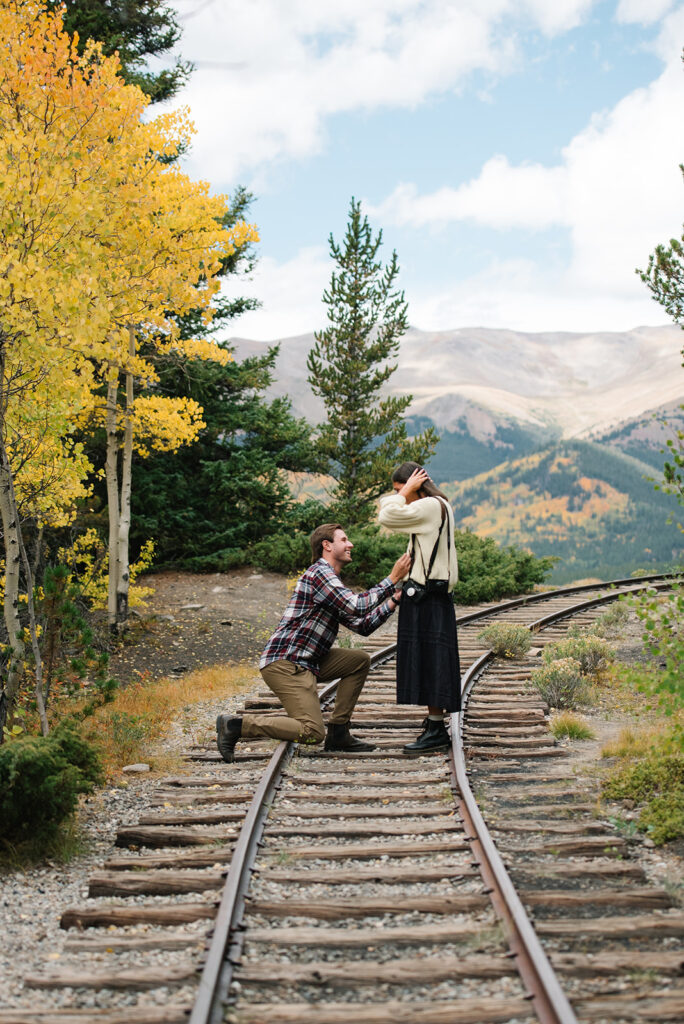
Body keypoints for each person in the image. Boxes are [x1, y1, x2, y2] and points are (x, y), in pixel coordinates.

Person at [216, 523, 411, 762]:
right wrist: (392, 579)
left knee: (358, 661)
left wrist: (394, 600)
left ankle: (339, 733)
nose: (350, 544)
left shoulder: (332, 582)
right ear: (327, 545)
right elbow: (356, 605)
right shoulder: (320, 573)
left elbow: (363, 625)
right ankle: (237, 726)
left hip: (308, 660)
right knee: (312, 732)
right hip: (287, 663)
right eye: (344, 540)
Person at [378, 462, 461, 755]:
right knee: (432, 660)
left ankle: (437, 730)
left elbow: (385, 515)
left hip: (426, 596)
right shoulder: (440, 505)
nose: (401, 496)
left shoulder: (427, 506)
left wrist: (407, 491)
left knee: (429, 662)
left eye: (402, 489)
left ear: (416, 485)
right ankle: (435, 723)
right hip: (433, 594)